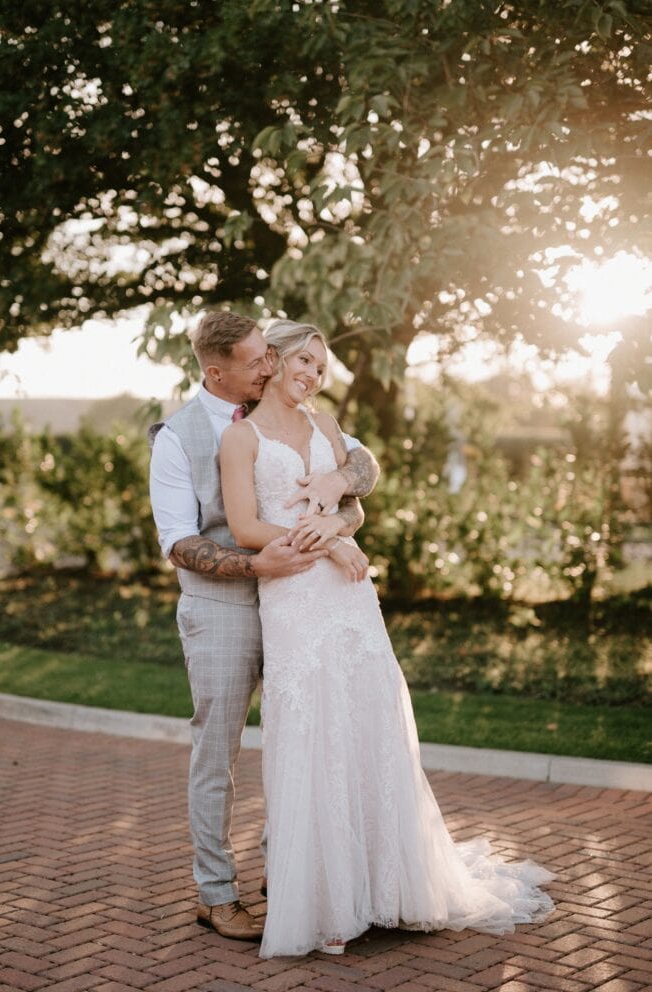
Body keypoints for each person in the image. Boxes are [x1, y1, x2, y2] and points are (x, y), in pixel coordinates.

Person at [220, 319, 556, 959]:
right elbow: (244, 526)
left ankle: (387, 889)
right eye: (305, 361)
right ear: (276, 359)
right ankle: (328, 900)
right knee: (312, 734)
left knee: (368, 727)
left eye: (321, 367)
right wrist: (331, 546)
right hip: (295, 597)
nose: (313, 375)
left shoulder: (325, 428)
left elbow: (359, 499)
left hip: (350, 602)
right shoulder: (241, 438)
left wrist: (345, 517)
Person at [148, 310, 379, 942]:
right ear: (216, 372)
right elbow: (178, 541)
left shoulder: (296, 416)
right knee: (216, 753)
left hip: (299, 604)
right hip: (221, 609)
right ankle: (216, 894)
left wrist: (338, 487)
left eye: (268, 356)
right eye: (257, 362)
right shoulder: (179, 436)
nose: (271, 367)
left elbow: (361, 476)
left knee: (301, 739)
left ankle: (289, 876)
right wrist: (258, 561)